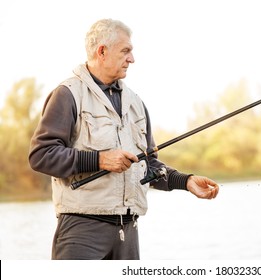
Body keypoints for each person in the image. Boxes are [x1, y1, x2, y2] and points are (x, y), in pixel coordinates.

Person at [28, 18, 219, 260]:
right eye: (126, 51)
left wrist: (186, 181)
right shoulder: (67, 95)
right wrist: (99, 160)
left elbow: (147, 165)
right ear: (102, 51)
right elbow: (41, 155)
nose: (132, 58)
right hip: (81, 232)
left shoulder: (136, 103)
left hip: (129, 232)